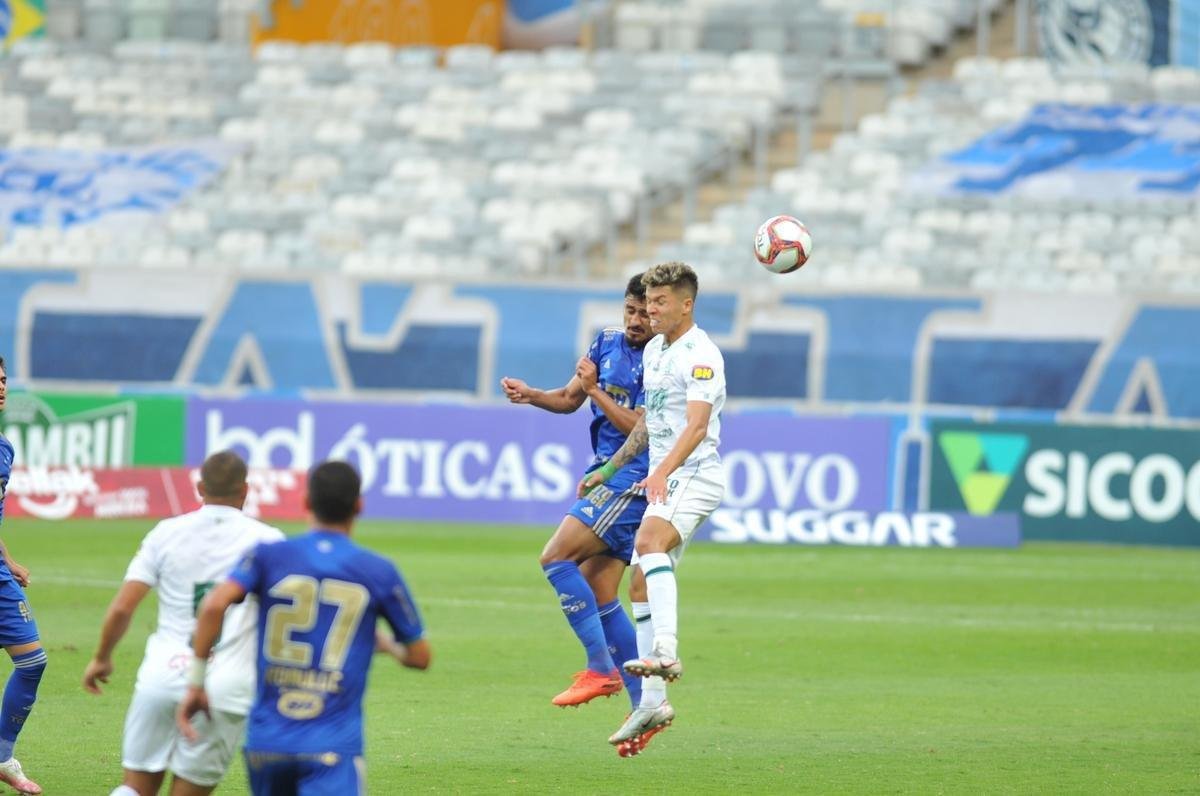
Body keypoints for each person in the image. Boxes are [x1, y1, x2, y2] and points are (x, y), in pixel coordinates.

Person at [177, 461, 430, 795]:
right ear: (359, 506)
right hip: (332, 746)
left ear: (306, 502)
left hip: (267, 744)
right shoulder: (377, 570)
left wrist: (196, 683)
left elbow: (212, 604)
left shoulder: (267, 556)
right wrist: (386, 645)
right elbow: (420, 656)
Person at [579, 262, 727, 750]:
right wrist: (608, 469)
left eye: (661, 302)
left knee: (647, 541)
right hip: (663, 478)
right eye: (648, 301)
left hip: (694, 474)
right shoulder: (657, 352)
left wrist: (661, 471)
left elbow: (697, 426)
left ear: (686, 304)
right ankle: (652, 703)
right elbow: (647, 425)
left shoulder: (700, 354)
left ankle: (665, 652)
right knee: (640, 582)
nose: (651, 310)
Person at [82, 450, 286, 796]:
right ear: (246, 490)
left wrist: (102, 656)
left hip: (161, 677)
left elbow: (122, 608)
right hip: (223, 684)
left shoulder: (165, 533)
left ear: (199, 487)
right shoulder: (269, 541)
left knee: (134, 789)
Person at [500, 274, 652, 712]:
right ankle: (645, 705)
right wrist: (531, 395)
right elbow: (569, 399)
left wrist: (594, 390)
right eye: (630, 309)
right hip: (608, 474)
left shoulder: (661, 360)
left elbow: (639, 429)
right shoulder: (606, 341)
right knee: (599, 589)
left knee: (555, 557)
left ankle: (601, 668)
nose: (636, 320)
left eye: (645, 312)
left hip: (633, 476)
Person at [0, 356, 46, 795]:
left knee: (33, 662)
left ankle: (1, 754)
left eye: (2, 380)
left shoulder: (4, 448)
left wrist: (8, 560)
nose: (0, 387)